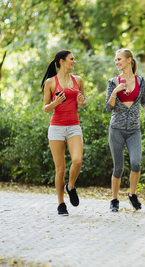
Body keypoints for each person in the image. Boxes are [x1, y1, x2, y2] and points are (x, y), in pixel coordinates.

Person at [105, 48, 145, 212]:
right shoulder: (113, 81)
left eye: (119, 59)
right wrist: (115, 92)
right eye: (115, 60)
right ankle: (114, 199)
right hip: (116, 129)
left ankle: (132, 195)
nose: (116, 62)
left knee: (136, 163)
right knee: (118, 167)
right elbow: (107, 107)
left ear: (128, 60)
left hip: (134, 130)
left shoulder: (140, 81)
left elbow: (144, 101)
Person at [41, 50, 87, 216]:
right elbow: (46, 108)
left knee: (77, 160)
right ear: (62, 61)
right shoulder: (51, 82)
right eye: (71, 59)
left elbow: (83, 102)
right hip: (57, 128)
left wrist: (82, 102)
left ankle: (71, 186)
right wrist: (56, 102)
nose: (74, 62)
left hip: (74, 126)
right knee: (60, 169)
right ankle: (61, 203)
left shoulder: (78, 80)